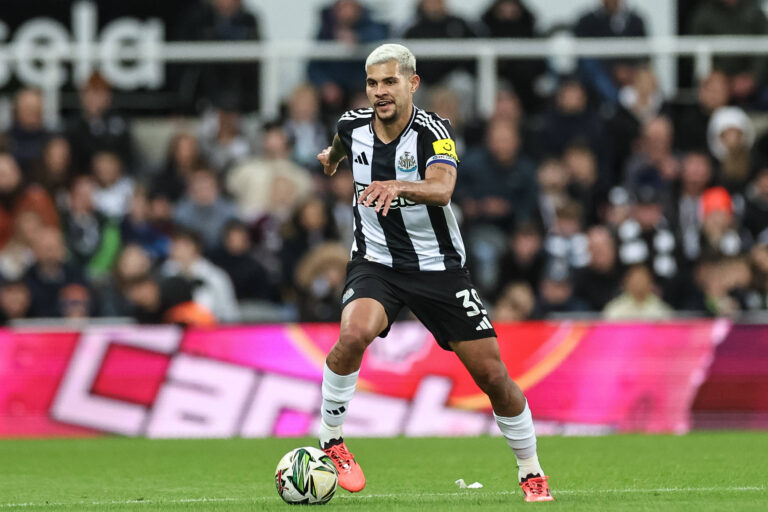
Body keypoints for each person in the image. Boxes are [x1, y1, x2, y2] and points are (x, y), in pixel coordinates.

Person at [314, 44, 553, 502]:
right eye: (372, 83)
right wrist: (333, 157)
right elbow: (343, 143)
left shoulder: (433, 131)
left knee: (494, 377)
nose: (379, 92)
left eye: (389, 82)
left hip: (439, 270)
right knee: (352, 335)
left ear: (412, 83)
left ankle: (531, 471)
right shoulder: (351, 124)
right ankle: (331, 440)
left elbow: (443, 189)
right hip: (376, 262)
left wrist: (396, 185)